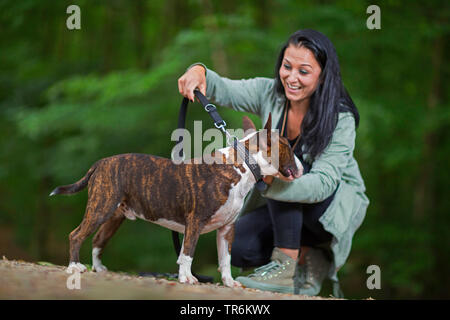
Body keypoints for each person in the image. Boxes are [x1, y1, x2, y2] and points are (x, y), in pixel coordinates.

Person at [177, 29, 369, 297]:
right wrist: (199, 71)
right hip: (283, 205)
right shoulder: (270, 93)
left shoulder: (341, 117)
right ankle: (298, 260)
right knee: (240, 245)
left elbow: (324, 183)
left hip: (328, 208)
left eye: (304, 71)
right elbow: (223, 88)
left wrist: (269, 176)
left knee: (282, 166)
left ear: (323, 76)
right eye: (287, 66)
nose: (291, 77)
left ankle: (291, 263)